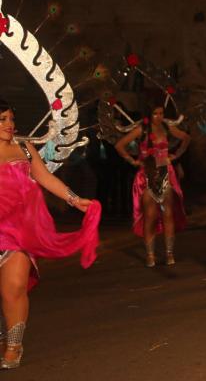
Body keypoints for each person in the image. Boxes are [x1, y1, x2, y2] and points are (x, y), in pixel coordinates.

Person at [0, 99, 101, 369]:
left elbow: (45, 178)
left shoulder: (23, 147)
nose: (9, 125)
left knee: (15, 287)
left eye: (11, 118)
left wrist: (75, 200)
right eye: (2, 120)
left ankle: (13, 346)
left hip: (18, 232)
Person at [115, 104, 190, 267]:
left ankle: (169, 253)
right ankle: (150, 255)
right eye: (155, 113)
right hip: (147, 175)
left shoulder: (166, 127)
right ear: (149, 114)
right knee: (150, 215)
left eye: (161, 113)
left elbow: (186, 138)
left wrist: (175, 156)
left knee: (168, 214)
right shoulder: (142, 129)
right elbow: (120, 145)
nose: (159, 116)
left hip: (166, 174)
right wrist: (132, 160)